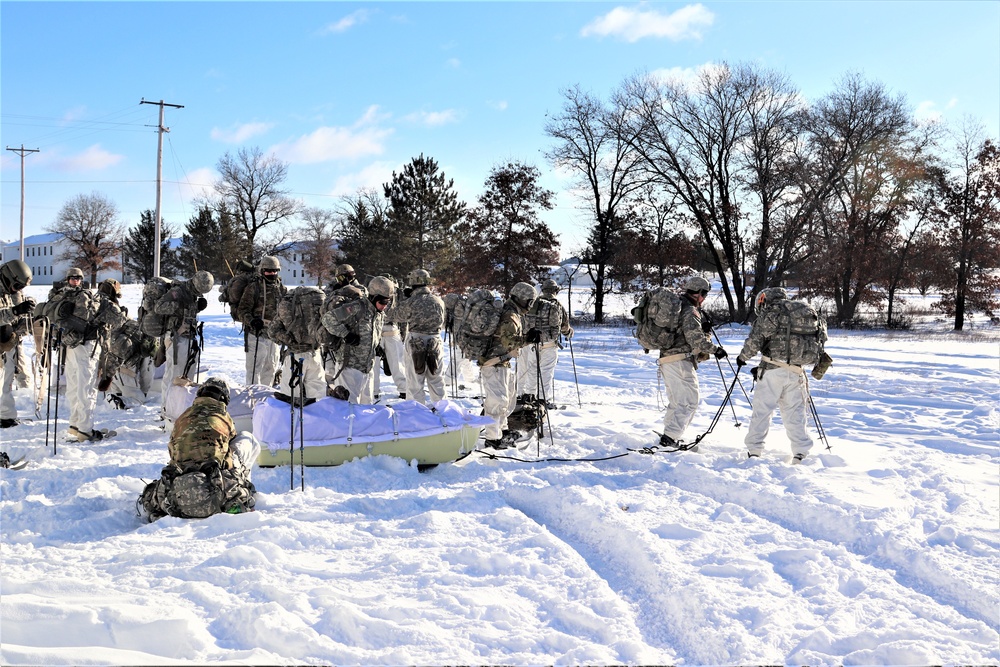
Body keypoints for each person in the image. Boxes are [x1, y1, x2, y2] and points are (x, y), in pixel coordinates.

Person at [140, 377, 259, 521]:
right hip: (214, 477)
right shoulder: (222, 416)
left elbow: (172, 450)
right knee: (247, 439)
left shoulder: (183, 417)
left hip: (181, 476)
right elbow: (230, 441)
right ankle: (242, 484)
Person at [736, 287, 828, 462]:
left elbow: (755, 340)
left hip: (772, 370)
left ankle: (754, 450)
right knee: (795, 413)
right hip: (797, 371)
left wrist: (743, 357)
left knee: (762, 411)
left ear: (764, 300)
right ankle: (801, 452)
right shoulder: (801, 313)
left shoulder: (772, 313)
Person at [657, 276, 727, 448]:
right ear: (699, 294)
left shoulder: (678, 307)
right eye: (705, 295)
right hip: (680, 361)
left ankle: (668, 434)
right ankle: (670, 438)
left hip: (667, 359)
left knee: (677, 401)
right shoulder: (690, 311)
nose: (704, 299)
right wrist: (716, 349)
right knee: (689, 401)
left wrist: (704, 330)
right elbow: (696, 341)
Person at [478, 282, 534, 449]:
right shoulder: (510, 315)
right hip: (494, 363)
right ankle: (493, 438)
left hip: (502, 362)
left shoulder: (512, 313)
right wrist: (528, 339)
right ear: (521, 299)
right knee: (497, 401)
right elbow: (508, 341)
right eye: (529, 301)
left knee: (506, 401)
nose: (530, 305)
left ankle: (502, 431)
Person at [321, 276, 392, 404]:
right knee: (348, 408)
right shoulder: (357, 307)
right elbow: (328, 319)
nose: (384, 307)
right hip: (349, 367)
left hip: (367, 369)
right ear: (373, 297)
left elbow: (371, 332)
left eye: (387, 303)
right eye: (382, 302)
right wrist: (346, 334)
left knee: (366, 408)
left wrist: (376, 346)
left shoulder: (378, 313)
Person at [154, 270, 214, 410]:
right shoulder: (178, 291)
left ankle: (184, 407)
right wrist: (179, 305)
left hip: (190, 338)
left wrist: (197, 308)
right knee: (173, 375)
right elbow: (159, 307)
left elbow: (188, 314)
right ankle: (167, 408)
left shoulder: (193, 294)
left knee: (188, 376)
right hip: (176, 338)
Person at [517, 278, 573, 408]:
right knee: (546, 372)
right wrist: (569, 332)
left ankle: (529, 396)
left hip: (532, 344)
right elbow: (564, 327)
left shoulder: (533, 303)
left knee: (532, 371)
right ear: (556, 291)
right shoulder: (557, 305)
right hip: (549, 344)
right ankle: (542, 399)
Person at [396, 269, 446, 405]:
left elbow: (396, 316)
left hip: (415, 340)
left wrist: (404, 299)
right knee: (436, 380)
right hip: (435, 340)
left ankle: (416, 414)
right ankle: (444, 413)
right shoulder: (438, 301)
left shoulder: (412, 301)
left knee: (414, 383)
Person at [237, 255, 286, 386]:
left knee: (271, 369)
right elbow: (242, 310)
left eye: (274, 271)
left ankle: (265, 400)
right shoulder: (254, 287)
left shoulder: (281, 288)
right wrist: (252, 321)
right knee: (254, 371)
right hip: (256, 334)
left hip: (274, 336)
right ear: (262, 271)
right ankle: (251, 400)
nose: (272, 274)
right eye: (269, 271)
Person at [0, 260, 35, 429]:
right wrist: (14, 311)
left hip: (6, 344)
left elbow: (15, 316)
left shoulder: (10, 292)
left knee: (5, 381)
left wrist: (26, 315)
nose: (18, 289)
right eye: (16, 285)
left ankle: (6, 416)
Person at [374, 275, 408, 400]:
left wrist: (403, 334)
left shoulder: (395, 294)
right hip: (386, 329)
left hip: (387, 329)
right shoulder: (396, 294)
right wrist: (403, 334)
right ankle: (403, 389)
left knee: (395, 362)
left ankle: (375, 390)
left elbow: (403, 317)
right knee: (395, 362)